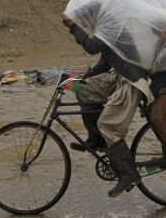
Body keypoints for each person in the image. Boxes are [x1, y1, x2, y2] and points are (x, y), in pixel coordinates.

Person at [62, 12, 149, 198]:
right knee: (82, 89)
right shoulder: (108, 26)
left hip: (131, 79)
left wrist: (73, 27)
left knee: (108, 125)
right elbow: (105, 61)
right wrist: (85, 77)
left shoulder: (112, 24)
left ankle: (129, 174)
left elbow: (92, 47)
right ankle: (96, 138)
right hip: (119, 74)